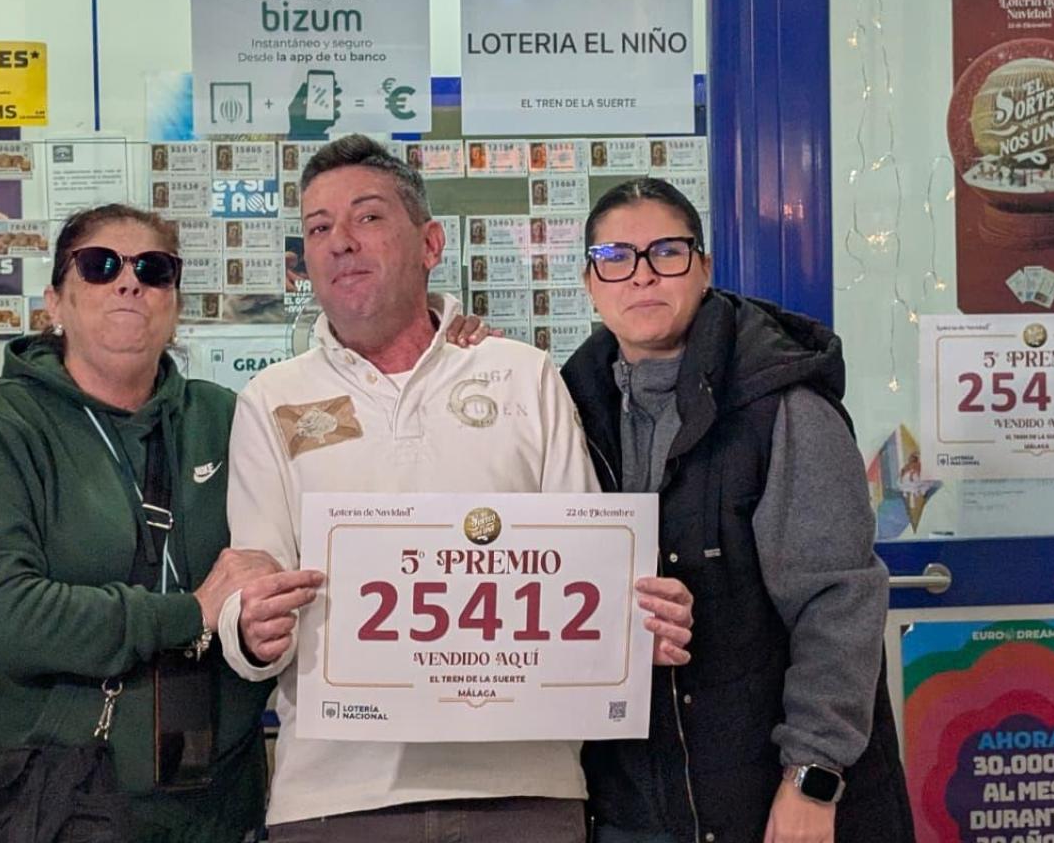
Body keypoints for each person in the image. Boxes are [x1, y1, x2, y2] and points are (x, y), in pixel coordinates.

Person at [216, 136, 695, 842]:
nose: (341, 241)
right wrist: (248, 631)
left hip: (525, 790)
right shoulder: (269, 401)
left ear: (430, 242)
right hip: (334, 797)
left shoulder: (522, 375)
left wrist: (641, 621)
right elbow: (252, 593)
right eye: (319, 228)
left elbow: (592, 569)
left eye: (368, 218)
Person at [560, 178, 913, 843]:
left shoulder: (782, 406)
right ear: (590, 280)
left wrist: (813, 773)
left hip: (771, 801)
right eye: (616, 257)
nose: (641, 276)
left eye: (666, 252)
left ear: (703, 267)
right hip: (633, 801)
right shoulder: (567, 412)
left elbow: (838, 602)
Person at [0, 204, 281, 842]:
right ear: (55, 303)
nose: (128, 282)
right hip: (48, 801)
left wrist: (443, 338)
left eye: (153, 268)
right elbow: (4, 617)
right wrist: (190, 613)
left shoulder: (224, 418)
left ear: (173, 304)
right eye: (99, 266)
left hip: (212, 801)